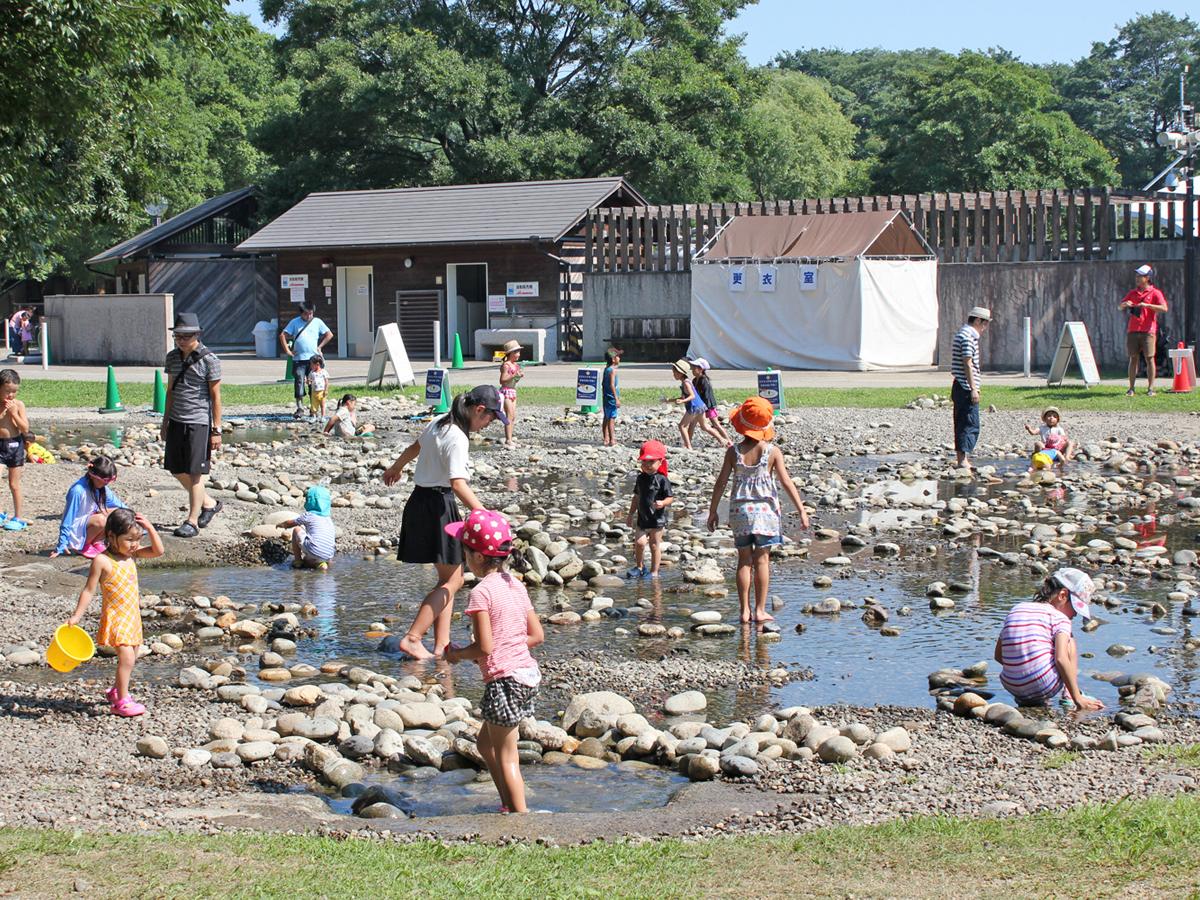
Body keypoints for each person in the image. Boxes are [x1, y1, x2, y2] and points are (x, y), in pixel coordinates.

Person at [382, 385, 507, 659]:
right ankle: (413, 638)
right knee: (454, 582)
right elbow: (458, 484)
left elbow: (414, 447)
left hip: (419, 502)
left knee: (449, 578)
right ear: (479, 410)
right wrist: (483, 514)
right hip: (439, 505)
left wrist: (396, 468)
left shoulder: (440, 421)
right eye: (491, 419)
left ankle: (442, 645)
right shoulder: (458, 438)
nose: (490, 425)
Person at [443, 508, 544, 814]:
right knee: (485, 746)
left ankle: (520, 818)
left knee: (507, 755)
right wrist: (506, 647)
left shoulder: (481, 593)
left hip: (505, 683)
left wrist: (457, 655)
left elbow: (485, 648)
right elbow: (536, 635)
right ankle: (506, 804)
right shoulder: (514, 584)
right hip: (526, 674)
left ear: (475, 557)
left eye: (464, 549)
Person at [708, 397, 810, 623]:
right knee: (762, 561)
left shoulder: (733, 452)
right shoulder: (772, 452)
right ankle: (760, 610)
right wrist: (801, 510)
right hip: (765, 513)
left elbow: (721, 483)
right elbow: (786, 482)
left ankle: (744, 611)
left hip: (740, 513)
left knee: (744, 560)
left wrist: (713, 510)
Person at [66, 509, 164, 716]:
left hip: (132, 616)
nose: (134, 544)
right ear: (111, 536)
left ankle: (116, 690)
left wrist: (150, 528)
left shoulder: (133, 555)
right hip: (116, 616)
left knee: (133, 656)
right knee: (127, 658)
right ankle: (121, 702)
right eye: (129, 539)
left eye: (137, 539)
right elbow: (89, 589)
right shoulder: (102, 561)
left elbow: (158, 551)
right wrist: (77, 615)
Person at [994, 568, 1103, 711]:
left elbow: (998, 656)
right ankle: (1070, 695)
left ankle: (1027, 697)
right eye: (1075, 609)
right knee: (1069, 639)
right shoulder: (1060, 618)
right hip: (1043, 685)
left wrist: (1022, 671)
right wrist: (1078, 699)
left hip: (1010, 684)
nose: (1075, 615)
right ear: (1062, 595)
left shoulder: (1017, 608)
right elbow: (1061, 659)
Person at [162, 313, 223, 538]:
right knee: (175, 468)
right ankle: (209, 503)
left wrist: (217, 430)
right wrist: (165, 421)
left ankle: (192, 521)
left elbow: (216, 397)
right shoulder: (171, 358)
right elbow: (170, 391)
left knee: (195, 472)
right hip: (177, 420)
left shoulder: (210, 359)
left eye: (186, 336)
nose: (181, 340)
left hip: (199, 422)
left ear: (197, 335)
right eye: (178, 335)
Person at [51, 455, 127, 557]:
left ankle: (97, 542)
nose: (107, 484)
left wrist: (137, 522)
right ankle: (83, 545)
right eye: (105, 480)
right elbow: (68, 518)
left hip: (88, 522)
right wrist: (61, 544)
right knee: (101, 519)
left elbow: (120, 506)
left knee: (118, 513)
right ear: (92, 474)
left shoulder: (102, 488)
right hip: (76, 530)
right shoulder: (78, 491)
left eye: (109, 480)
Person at [951, 306, 991, 472]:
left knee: (964, 422)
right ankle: (962, 460)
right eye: (984, 323)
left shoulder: (963, 334)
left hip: (961, 385)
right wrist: (973, 388)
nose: (985, 327)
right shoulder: (968, 337)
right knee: (968, 423)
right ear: (977, 320)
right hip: (965, 386)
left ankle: (963, 458)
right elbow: (967, 362)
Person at [625, 440, 673, 579]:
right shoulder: (640, 478)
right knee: (639, 543)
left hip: (657, 520)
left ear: (660, 462)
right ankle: (640, 566)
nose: (647, 465)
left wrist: (663, 503)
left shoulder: (662, 479)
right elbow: (636, 497)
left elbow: (670, 498)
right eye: (644, 462)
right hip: (642, 518)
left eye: (651, 462)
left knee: (654, 545)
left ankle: (654, 571)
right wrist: (630, 514)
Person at [1120, 264, 1169, 396]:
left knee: (1149, 358)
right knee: (1133, 358)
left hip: (1148, 330)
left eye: (1140, 276)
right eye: (1137, 276)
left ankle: (1151, 389)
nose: (1137, 278)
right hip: (1133, 330)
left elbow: (1164, 308)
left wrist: (1147, 305)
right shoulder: (1132, 293)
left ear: (1147, 278)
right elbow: (1120, 307)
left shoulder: (1155, 293)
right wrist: (1126, 304)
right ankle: (1131, 389)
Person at [279, 303, 333, 419]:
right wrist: (288, 351)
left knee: (314, 383)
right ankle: (300, 407)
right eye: (306, 314)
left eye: (311, 313)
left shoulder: (317, 321)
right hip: (299, 359)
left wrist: (320, 347)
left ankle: (313, 409)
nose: (309, 316)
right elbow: (282, 335)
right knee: (299, 380)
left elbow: (329, 334)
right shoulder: (294, 322)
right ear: (301, 313)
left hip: (313, 359)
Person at [0, 368, 29, 531]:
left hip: (15, 445)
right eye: (7, 391)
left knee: (14, 484)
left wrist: (13, 414)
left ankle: (18, 517)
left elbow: (25, 428)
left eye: (14, 392)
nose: (11, 395)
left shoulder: (18, 405)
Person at [281, 485, 335, 571]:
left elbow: (290, 524)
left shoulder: (309, 515)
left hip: (314, 550)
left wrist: (282, 524)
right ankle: (322, 564)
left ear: (310, 501)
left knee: (297, 530)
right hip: (329, 555)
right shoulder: (328, 519)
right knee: (313, 557)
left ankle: (298, 561)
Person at [688, 358, 733, 448]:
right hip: (700, 406)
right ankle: (688, 441)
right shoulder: (694, 380)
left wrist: (705, 408)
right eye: (692, 368)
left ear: (701, 369)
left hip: (708, 406)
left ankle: (728, 441)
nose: (692, 370)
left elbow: (707, 396)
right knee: (692, 423)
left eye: (694, 368)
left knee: (716, 424)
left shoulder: (704, 381)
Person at [665, 358, 703, 449]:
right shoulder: (685, 381)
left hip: (694, 407)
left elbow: (692, 396)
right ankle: (724, 440)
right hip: (700, 406)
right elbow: (683, 397)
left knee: (682, 426)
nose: (673, 375)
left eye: (674, 373)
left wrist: (682, 401)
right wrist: (669, 400)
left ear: (680, 373)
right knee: (705, 427)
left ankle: (688, 446)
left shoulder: (686, 383)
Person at [498, 340, 523, 447]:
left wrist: (518, 376)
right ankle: (508, 439)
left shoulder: (515, 365)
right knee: (509, 415)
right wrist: (513, 375)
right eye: (516, 352)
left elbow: (514, 380)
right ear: (511, 353)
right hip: (506, 391)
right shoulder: (506, 365)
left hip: (513, 391)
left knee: (513, 416)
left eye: (519, 352)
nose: (518, 355)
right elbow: (502, 380)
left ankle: (510, 438)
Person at [601, 347, 621, 447]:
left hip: (605, 397)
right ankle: (612, 439)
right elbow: (612, 385)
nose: (619, 358)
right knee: (611, 418)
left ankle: (605, 438)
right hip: (611, 398)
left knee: (606, 417)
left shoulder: (606, 369)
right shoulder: (612, 370)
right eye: (618, 356)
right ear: (613, 359)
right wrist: (616, 398)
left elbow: (603, 384)